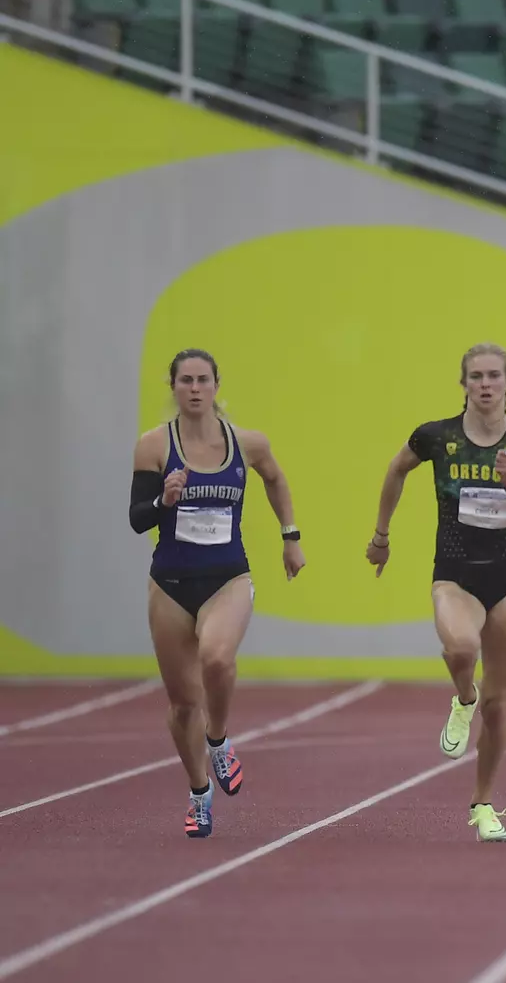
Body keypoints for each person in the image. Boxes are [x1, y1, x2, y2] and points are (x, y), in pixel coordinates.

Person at [366, 342, 506, 843]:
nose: (486, 384)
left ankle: (484, 804)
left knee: (501, 703)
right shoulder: (437, 437)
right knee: (461, 647)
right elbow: (395, 469)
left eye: (494, 376)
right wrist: (382, 536)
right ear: (464, 383)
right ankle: (461, 697)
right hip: (455, 574)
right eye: (476, 376)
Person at [128, 348, 306, 839]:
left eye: (202, 380)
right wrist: (163, 499)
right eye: (185, 381)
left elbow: (275, 478)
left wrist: (290, 537)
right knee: (183, 701)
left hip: (228, 576)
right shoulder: (153, 446)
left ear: (215, 386)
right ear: (174, 388)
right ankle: (199, 793)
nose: (194, 389)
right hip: (169, 584)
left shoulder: (247, 443)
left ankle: (219, 739)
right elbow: (136, 518)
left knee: (218, 659)